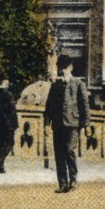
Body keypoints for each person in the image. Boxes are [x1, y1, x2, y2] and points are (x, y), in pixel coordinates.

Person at [44, 56, 90, 193]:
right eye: (60, 68)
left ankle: (73, 180)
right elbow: (49, 106)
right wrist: (47, 124)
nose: (62, 71)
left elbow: (84, 106)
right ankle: (63, 183)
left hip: (73, 124)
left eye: (65, 68)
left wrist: (86, 125)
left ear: (70, 68)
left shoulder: (78, 84)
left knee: (69, 150)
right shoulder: (55, 86)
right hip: (58, 124)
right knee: (59, 154)